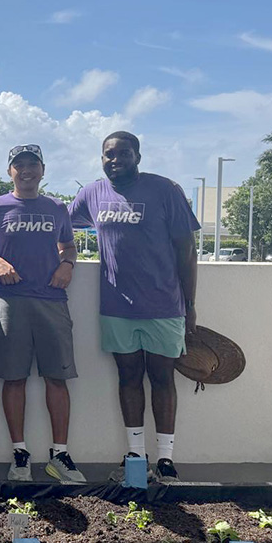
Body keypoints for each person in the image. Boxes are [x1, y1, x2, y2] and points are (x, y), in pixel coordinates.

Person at [70, 131, 199, 483]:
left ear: (137, 157)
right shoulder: (93, 193)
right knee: (127, 378)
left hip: (163, 306)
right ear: (101, 159)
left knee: (162, 379)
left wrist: (190, 304)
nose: (115, 160)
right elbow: (61, 226)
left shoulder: (165, 190)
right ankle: (135, 454)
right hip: (116, 307)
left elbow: (187, 251)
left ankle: (166, 459)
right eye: (108, 154)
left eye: (123, 153)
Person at [0, 145, 85, 483]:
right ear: (9, 171)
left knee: (57, 378)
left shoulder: (57, 207)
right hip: (10, 301)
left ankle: (60, 454)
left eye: (32, 165)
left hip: (52, 300)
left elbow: (68, 245)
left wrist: (68, 265)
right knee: (14, 378)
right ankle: (20, 454)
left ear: (42, 170)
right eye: (19, 165)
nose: (26, 170)